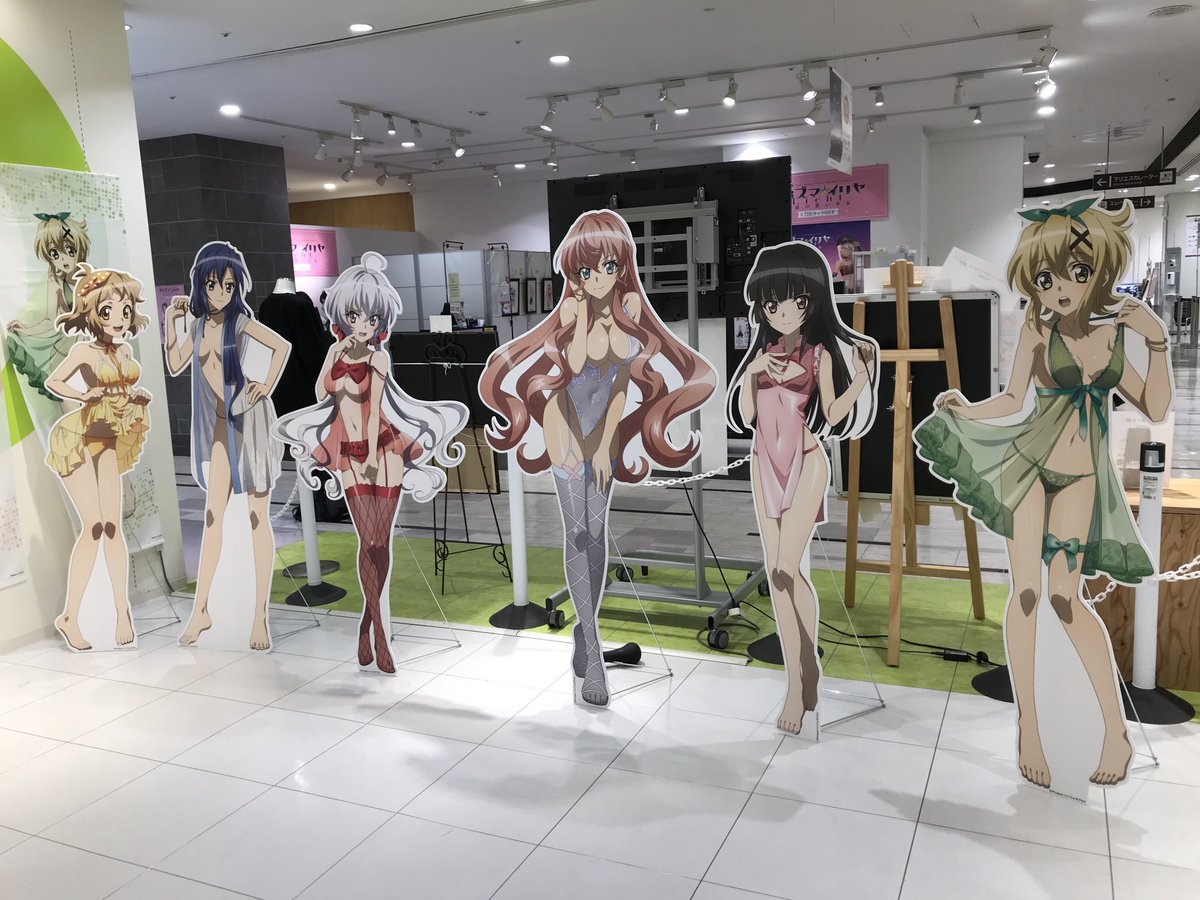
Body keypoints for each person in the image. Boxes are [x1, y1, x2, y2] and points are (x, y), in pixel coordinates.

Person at [914, 198, 1172, 789]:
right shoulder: (1038, 327)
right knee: (1026, 594)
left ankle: (1115, 731)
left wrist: (1157, 342)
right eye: (1046, 279)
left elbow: (1155, 406)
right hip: (1029, 466)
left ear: (1098, 271)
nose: (1060, 289)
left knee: (1065, 598)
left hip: (1082, 478)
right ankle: (1028, 726)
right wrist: (966, 409)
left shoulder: (1114, 334)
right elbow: (1013, 399)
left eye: (1077, 273)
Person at [480, 209, 716, 707]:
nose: (598, 277)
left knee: (596, 528)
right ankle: (590, 646)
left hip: (604, 425)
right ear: (575, 272)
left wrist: (609, 439)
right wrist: (586, 309)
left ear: (621, 266)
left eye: (608, 267)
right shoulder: (572, 310)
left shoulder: (630, 310)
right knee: (578, 532)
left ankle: (586, 635)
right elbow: (567, 372)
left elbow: (622, 384)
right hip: (563, 420)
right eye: (586, 270)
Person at [274, 253, 467, 673]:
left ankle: (371, 626)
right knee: (369, 542)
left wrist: (372, 457)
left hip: (382, 449)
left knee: (381, 541)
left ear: (380, 321)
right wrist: (335, 354)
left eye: (371, 317)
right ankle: (376, 628)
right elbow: (322, 394)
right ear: (343, 316)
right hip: (346, 449)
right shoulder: (335, 352)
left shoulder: (379, 358)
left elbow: (376, 405)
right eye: (355, 316)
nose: (363, 324)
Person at [727, 241, 878, 734]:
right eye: (772, 304)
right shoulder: (761, 355)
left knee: (786, 570)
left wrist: (864, 378)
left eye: (795, 301)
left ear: (811, 301)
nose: (783, 312)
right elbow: (746, 416)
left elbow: (831, 414)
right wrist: (751, 373)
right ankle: (803, 668)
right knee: (777, 577)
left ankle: (798, 680)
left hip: (806, 461)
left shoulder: (818, 355)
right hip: (763, 463)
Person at [165, 241, 291, 651]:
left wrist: (265, 385)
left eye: (229, 286)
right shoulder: (199, 325)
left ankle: (259, 617)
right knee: (212, 516)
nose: (221, 293)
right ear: (201, 284)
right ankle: (201, 610)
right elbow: (174, 364)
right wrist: (172, 321)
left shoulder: (240, 323)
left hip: (250, 423)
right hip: (221, 425)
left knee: (257, 516)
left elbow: (281, 347)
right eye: (213, 285)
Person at [43, 265, 151, 651]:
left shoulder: (125, 349)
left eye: (125, 310)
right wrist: (81, 395)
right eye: (108, 311)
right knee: (93, 527)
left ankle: (122, 611)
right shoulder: (83, 351)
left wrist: (135, 395)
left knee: (112, 526)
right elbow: (54, 381)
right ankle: (70, 617)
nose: (119, 318)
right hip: (79, 438)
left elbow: (123, 386)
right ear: (92, 313)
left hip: (109, 439)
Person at [7, 212, 91, 413]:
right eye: (54, 254)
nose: (63, 259)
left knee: (96, 406)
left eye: (69, 249)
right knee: (70, 408)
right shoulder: (56, 280)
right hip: (66, 350)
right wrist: (25, 329)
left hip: (93, 348)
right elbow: (50, 320)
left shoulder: (91, 275)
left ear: (78, 246)